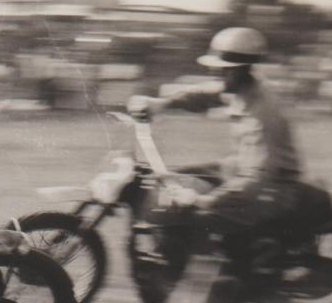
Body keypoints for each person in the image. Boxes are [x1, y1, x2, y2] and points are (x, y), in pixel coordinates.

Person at [128, 27, 313, 285]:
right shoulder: (238, 88)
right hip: (239, 170)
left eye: (224, 68)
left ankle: (219, 286)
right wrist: (161, 103)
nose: (216, 72)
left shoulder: (262, 114)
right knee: (174, 179)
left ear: (243, 68)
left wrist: (203, 201)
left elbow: (256, 180)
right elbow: (204, 95)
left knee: (196, 216)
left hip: (273, 188)